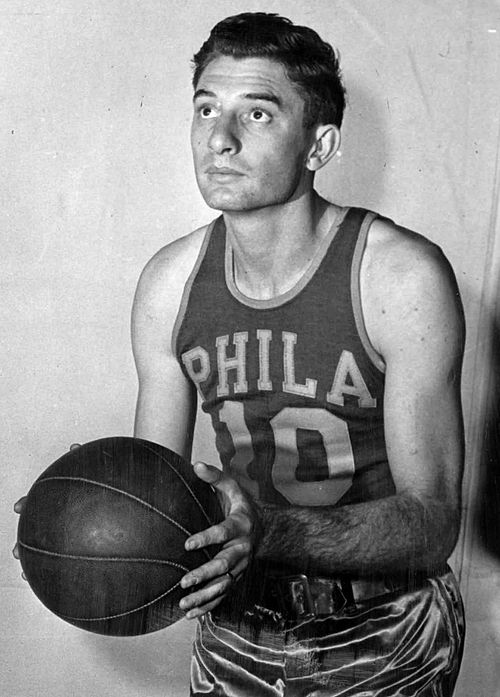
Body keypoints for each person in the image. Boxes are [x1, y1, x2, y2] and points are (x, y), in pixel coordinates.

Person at [17, 12, 466, 696]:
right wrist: (83, 511)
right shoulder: (170, 283)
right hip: (238, 622)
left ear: (319, 145)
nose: (219, 139)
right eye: (206, 109)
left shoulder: (398, 278)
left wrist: (267, 531)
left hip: (384, 626)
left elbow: (433, 522)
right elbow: (155, 485)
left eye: (256, 114)